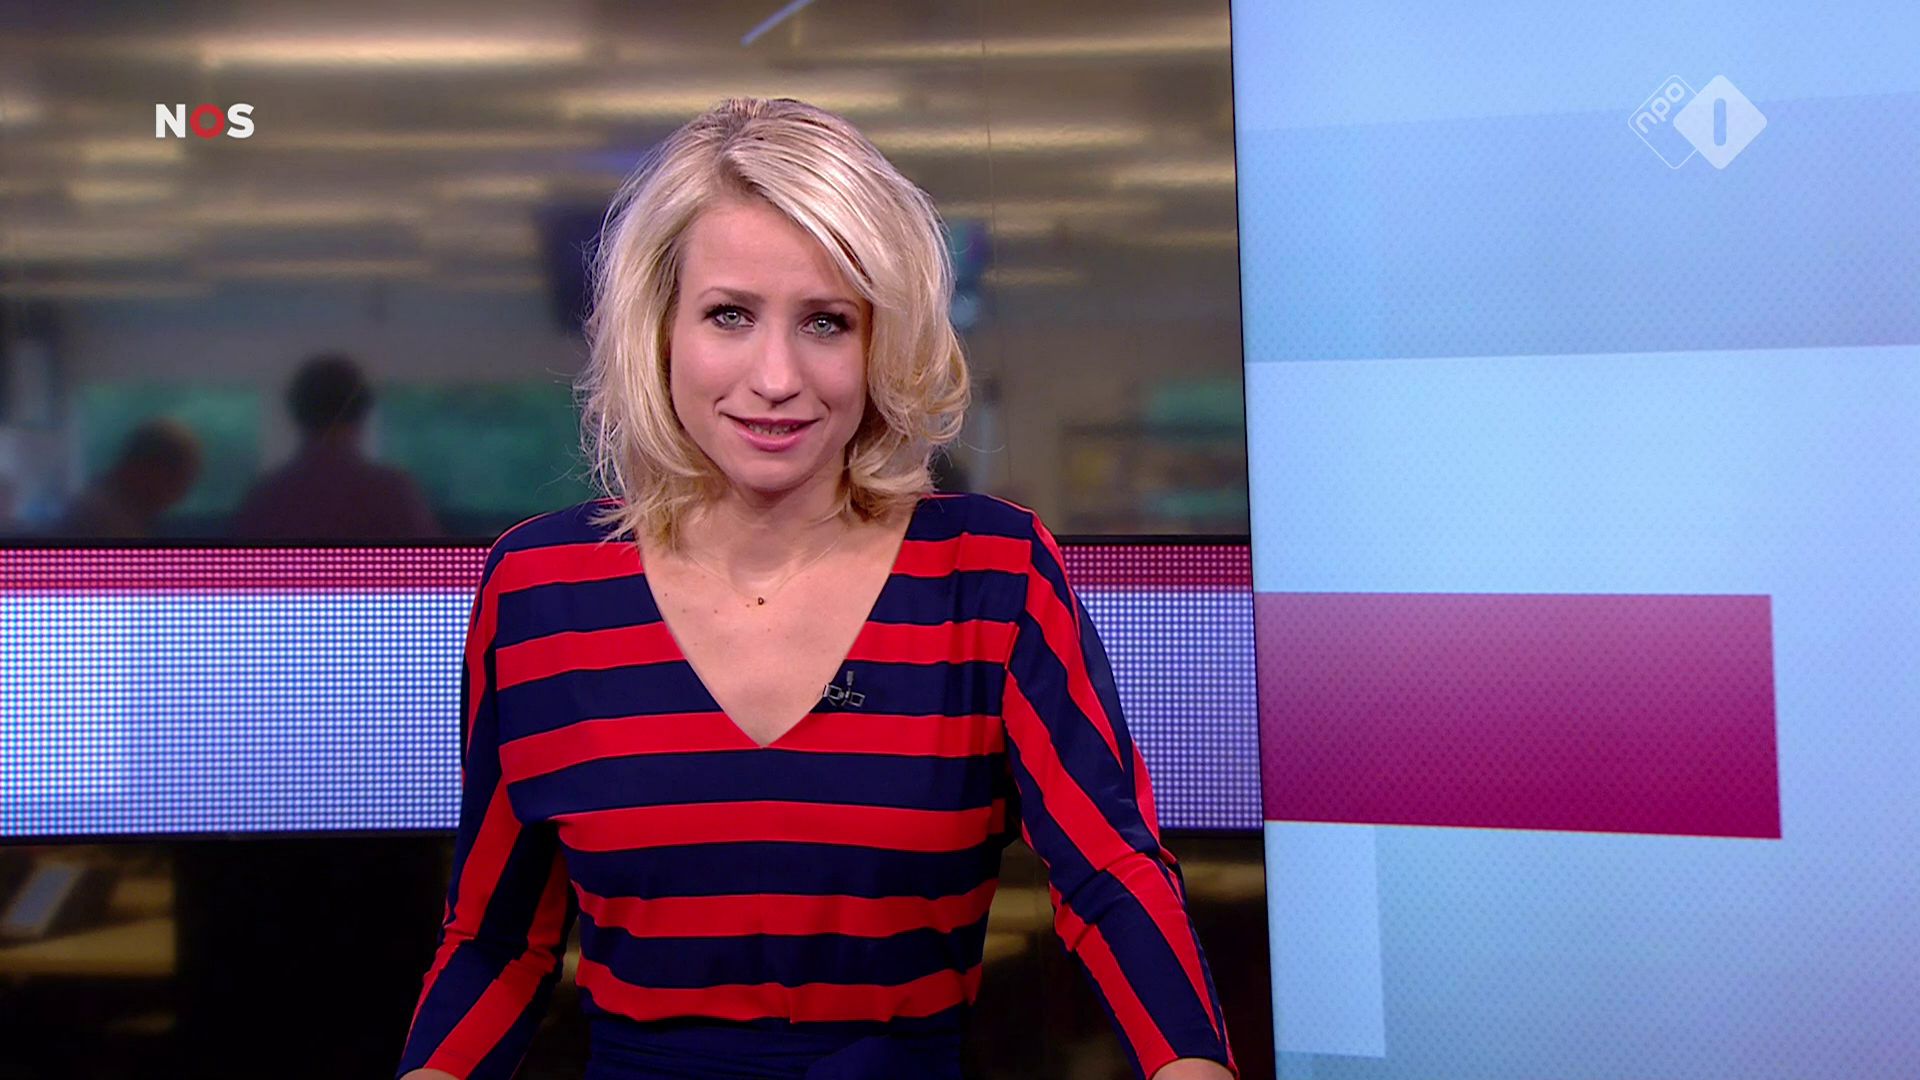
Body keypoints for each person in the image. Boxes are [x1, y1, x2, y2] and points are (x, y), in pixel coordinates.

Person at [395, 97, 1235, 1080]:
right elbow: (497, 941)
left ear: (883, 343)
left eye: (827, 322)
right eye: (730, 315)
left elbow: (1111, 877)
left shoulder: (992, 574)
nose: (776, 376)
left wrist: (1192, 1067)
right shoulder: (540, 590)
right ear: (659, 330)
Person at [228, 351, 443, 540]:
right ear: (362, 415)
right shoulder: (393, 494)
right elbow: (434, 569)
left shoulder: (266, 499)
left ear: (296, 415)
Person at [52, 416, 202, 538]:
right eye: (178, 482)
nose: (179, 497)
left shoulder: (121, 513)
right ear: (148, 469)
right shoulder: (100, 522)